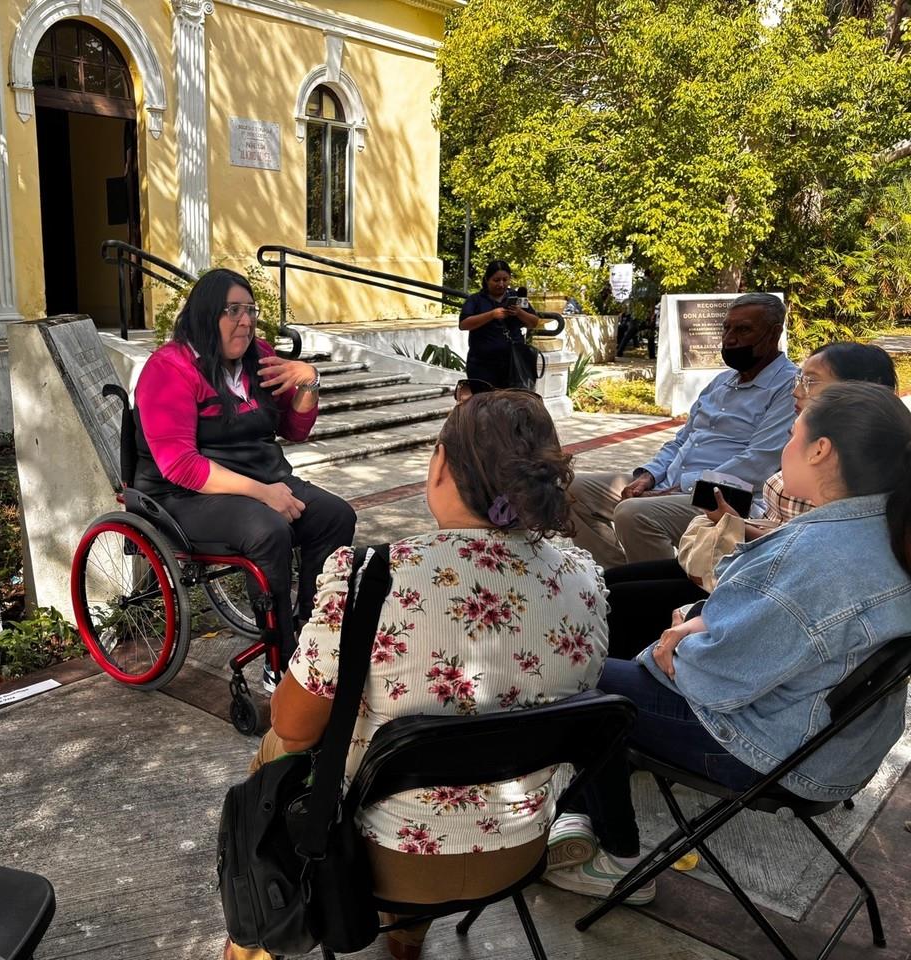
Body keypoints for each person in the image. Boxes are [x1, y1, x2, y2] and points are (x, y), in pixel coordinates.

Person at [224, 391, 608, 960]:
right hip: (520, 849)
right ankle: (405, 936)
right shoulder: (583, 581)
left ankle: (253, 940)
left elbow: (296, 726)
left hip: (382, 858)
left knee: (279, 744)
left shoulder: (370, 578)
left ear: (442, 467)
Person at [546, 381, 911, 904]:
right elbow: (775, 628)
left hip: (777, 749)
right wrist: (698, 621)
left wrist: (677, 641)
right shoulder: (884, 528)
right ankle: (580, 812)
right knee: (617, 666)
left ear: (820, 450)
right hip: (828, 742)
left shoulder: (820, 553)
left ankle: (616, 854)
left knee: (571, 679)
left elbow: (712, 677)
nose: (785, 449)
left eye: (792, 434)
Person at [601, 342, 897, 658]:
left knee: (620, 601)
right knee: (613, 583)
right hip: (758, 573)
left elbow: (789, 578)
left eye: (810, 381)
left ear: (819, 450)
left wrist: (698, 615)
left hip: (759, 589)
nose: (796, 392)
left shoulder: (848, 473)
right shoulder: (836, 478)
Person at [133, 269, 356, 686]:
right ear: (204, 315)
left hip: (261, 479)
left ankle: (312, 635)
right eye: (232, 310)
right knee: (268, 530)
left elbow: (294, 429)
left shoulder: (260, 358)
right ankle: (280, 659)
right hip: (184, 494)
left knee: (335, 516)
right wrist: (264, 494)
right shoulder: (171, 368)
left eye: (250, 310)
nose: (246, 321)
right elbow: (180, 464)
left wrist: (309, 380)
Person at [569, 292, 798, 568]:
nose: (729, 338)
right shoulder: (721, 382)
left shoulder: (788, 387)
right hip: (673, 484)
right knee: (570, 488)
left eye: (743, 330)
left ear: (774, 334)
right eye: (727, 328)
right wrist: (649, 476)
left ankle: (663, 596)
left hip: (725, 499)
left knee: (633, 513)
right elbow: (682, 440)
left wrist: (681, 488)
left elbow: (758, 463)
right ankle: (616, 579)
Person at [458, 259, 544, 388]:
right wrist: (491, 315)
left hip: (513, 364)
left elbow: (533, 322)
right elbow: (464, 324)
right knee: (486, 403)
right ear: (487, 280)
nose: (501, 284)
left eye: (505, 280)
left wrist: (519, 312)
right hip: (482, 365)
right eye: (496, 280)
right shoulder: (475, 300)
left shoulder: (517, 298)